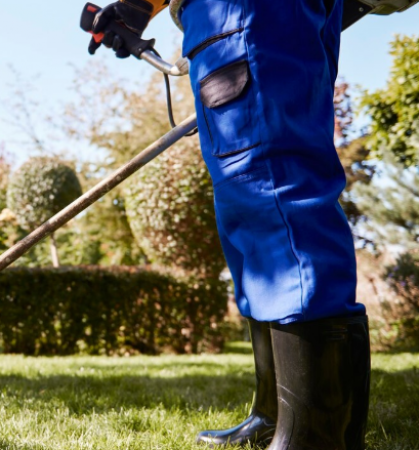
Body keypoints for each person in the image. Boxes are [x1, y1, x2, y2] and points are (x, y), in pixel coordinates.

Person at [88, 0, 371, 448]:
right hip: (233, 17)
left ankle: (316, 435)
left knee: (270, 189)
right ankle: (275, 415)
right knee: (249, 212)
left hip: (241, 12)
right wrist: (137, 8)